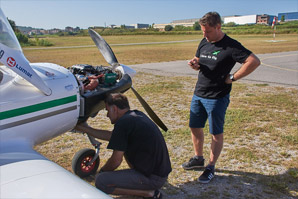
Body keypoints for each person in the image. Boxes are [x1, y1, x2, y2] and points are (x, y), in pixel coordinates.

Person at [183, 12, 260, 184]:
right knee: (195, 127)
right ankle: (198, 158)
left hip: (217, 97)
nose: (204, 35)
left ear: (218, 27)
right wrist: (194, 64)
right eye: (202, 31)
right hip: (199, 93)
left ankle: (210, 166)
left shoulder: (231, 46)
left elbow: (253, 61)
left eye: (207, 31)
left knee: (215, 133)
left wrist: (233, 77)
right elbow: (199, 59)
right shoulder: (205, 41)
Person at [75, 93, 171, 198]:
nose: (107, 115)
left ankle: (149, 193)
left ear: (115, 109)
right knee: (123, 148)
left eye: (107, 110)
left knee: (101, 181)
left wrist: (102, 172)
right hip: (159, 174)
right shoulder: (134, 116)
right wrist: (85, 128)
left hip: (153, 178)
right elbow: (113, 136)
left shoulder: (123, 124)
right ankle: (142, 184)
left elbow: (116, 161)